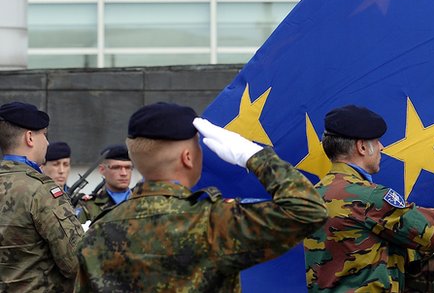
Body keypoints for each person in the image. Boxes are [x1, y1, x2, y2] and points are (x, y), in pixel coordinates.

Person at [75, 102, 328, 291]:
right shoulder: (211, 222)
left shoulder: (97, 231)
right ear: (188, 157)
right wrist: (253, 156)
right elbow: (307, 209)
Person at [304, 104, 434, 292]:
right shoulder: (370, 198)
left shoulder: (314, 196)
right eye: (377, 141)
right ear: (362, 147)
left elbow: (364, 251)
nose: (382, 147)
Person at [0, 101, 84, 292]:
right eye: (44, 135)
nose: (46, 143)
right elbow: (76, 263)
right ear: (30, 137)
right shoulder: (42, 190)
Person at [77, 144, 133, 223]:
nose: (124, 173)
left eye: (128, 168)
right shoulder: (87, 206)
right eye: (116, 167)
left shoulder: (142, 201)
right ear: (102, 169)